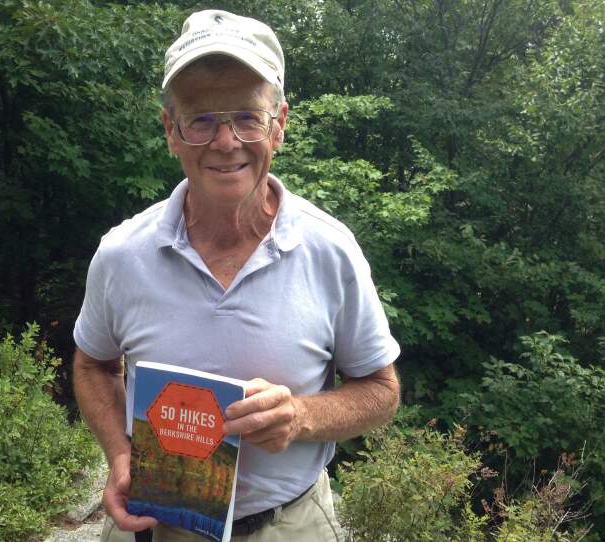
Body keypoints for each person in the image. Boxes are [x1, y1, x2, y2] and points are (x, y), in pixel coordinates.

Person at [73, 9, 401, 542]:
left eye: (247, 117)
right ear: (171, 131)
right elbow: (93, 365)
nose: (225, 141)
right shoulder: (122, 254)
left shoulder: (329, 250)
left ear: (280, 126)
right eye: (201, 120)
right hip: (155, 524)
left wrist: (300, 416)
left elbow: (381, 391)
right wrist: (118, 454)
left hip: (288, 525)